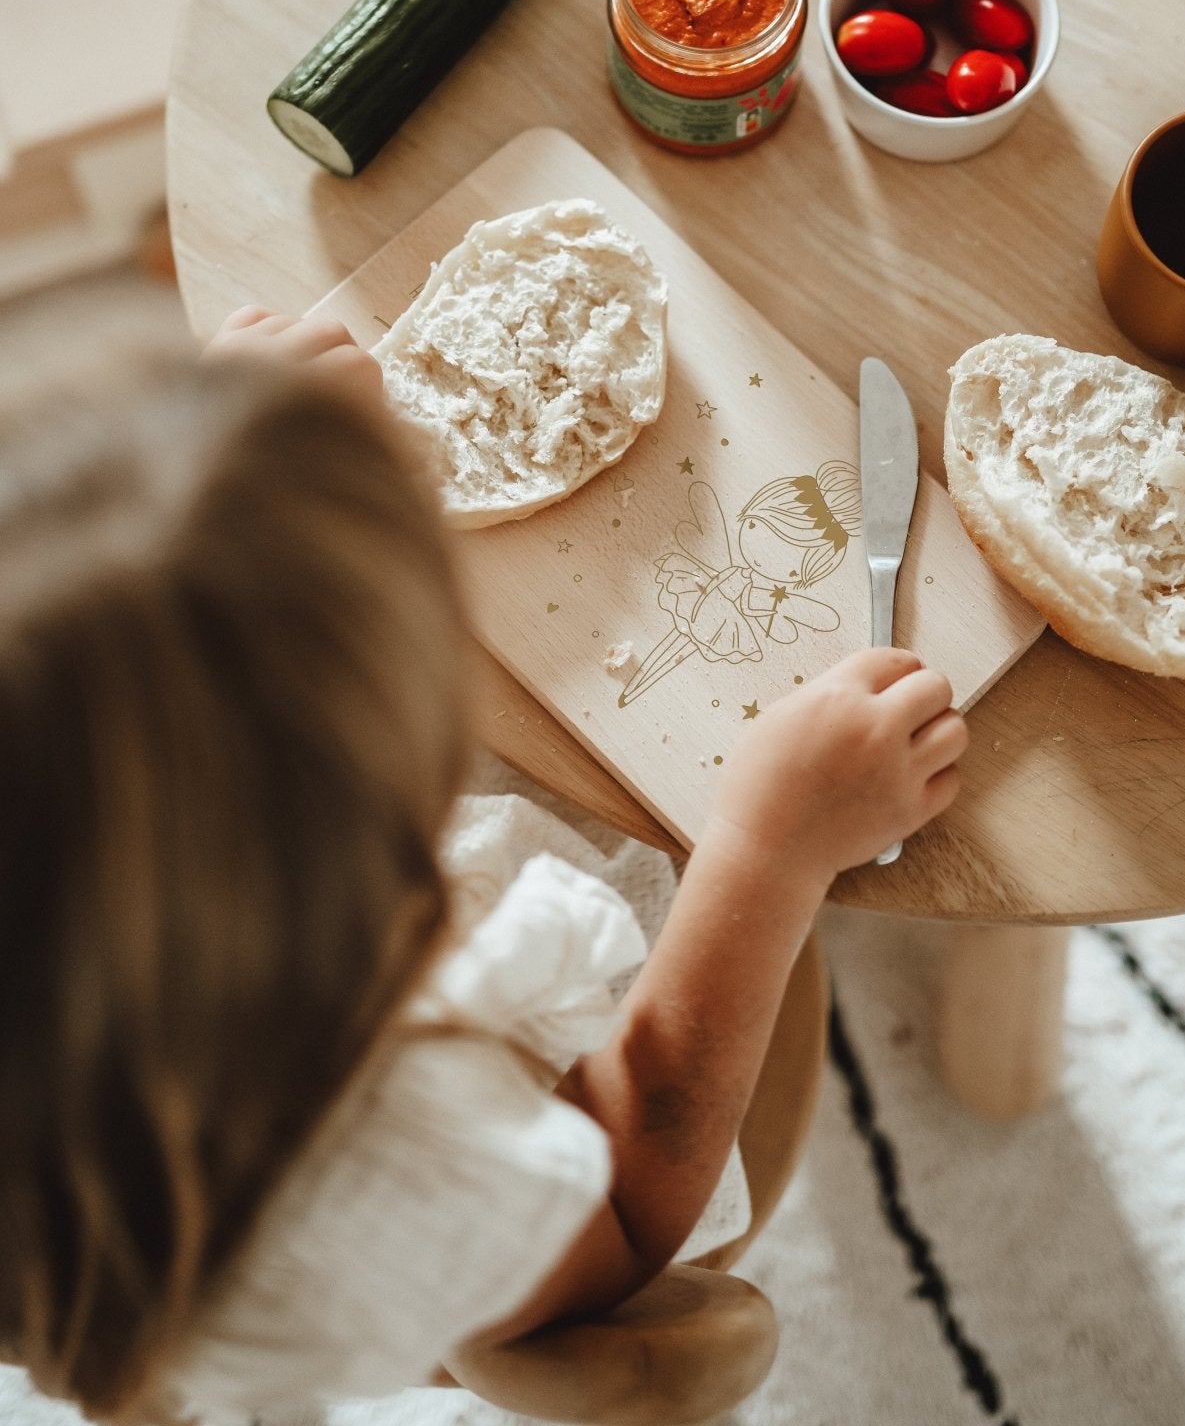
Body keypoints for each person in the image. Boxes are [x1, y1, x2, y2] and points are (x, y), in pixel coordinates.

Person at [0, 307, 968, 1423]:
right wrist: (765, 853)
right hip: (541, 1170)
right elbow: (623, 1206)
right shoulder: (385, 1149)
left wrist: (195, 467)